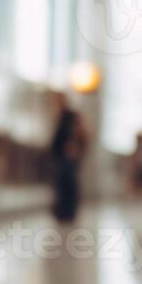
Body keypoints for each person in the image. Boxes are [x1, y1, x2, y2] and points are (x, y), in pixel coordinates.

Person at [48, 94, 90, 222]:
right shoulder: (61, 116)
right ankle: (62, 211)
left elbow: (82, 134)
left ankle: (69, 212)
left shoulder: (71, 116)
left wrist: (76, 148)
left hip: (69, 157)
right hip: (61, 156)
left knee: (68, 183)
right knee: (61, 184)